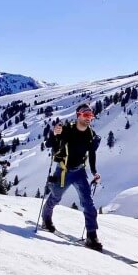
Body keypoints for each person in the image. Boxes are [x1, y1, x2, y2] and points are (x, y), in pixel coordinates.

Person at [42, 103, 103, 250]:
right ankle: (46, 219)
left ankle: (92, 235)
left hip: (80, 172)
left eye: (90, 115)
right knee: (55, 197)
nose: (89, 118)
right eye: (85, 115)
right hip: (63, 171)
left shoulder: (91, 135)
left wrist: (94, 172)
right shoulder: (66, 129)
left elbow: (92, 155)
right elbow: (49, 144)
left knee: (88, 203)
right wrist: (53, 133)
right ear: (78, 115)